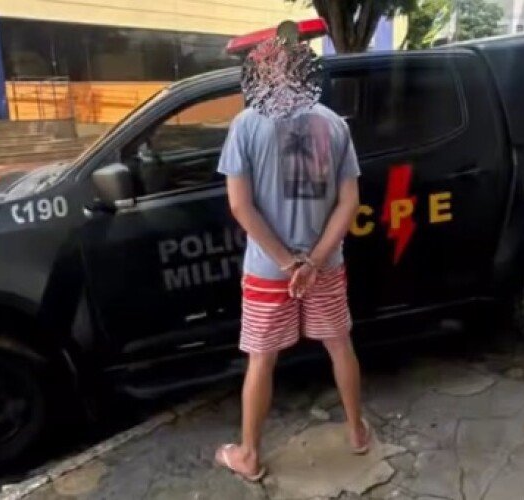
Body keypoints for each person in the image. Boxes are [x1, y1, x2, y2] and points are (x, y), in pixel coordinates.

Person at [214, 22, 368, 482]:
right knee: (340, 346)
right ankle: (357, 433)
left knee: (261, 361)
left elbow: (240, 206)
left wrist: (288, 262)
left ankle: (249, 456)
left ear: (266, 72)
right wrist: (313, 261)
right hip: (326, 267)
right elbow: (349, 203)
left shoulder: (245, 125)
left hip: (268, 270)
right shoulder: (334, 124)